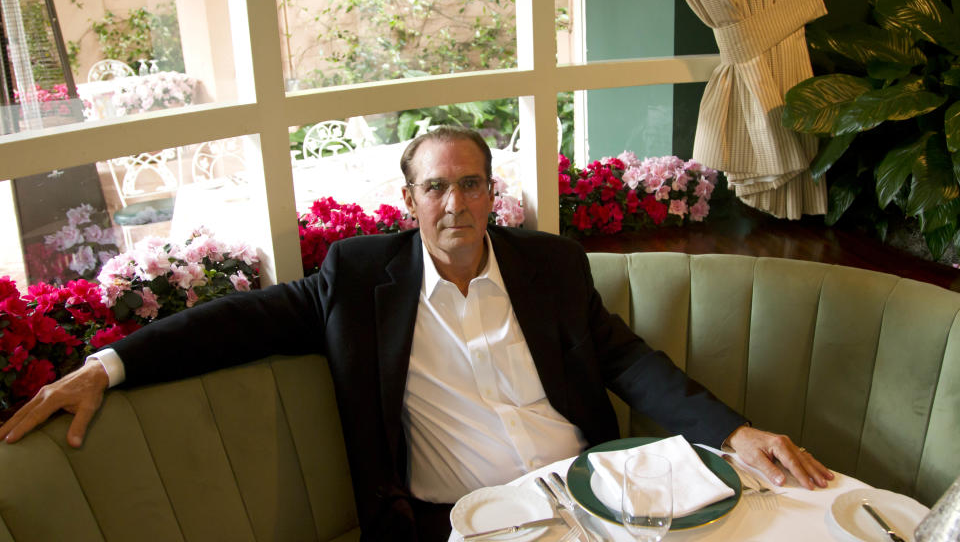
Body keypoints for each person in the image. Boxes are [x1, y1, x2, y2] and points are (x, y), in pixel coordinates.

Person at [0, 126, 832, 540]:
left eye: (472, 185)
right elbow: (237, 321)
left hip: (592, 496)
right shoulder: (363, 279)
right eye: (437, 189)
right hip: (465, 522)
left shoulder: (548, 266)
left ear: (491, 193)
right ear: (411, 202)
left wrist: (734, 431)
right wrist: (105, 366)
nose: (457, 205)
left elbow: (627, 360)